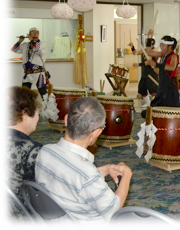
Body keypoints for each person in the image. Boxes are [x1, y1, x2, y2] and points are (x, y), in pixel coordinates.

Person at [35, 97, 133, 228]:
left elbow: (71, 176)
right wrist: (127, 175)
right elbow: (114, 211)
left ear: (65, 120)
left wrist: (105, 169)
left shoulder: (45, 152)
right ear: (97, 133)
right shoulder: (88, 175)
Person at [3, 86, 43, 227]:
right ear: (25, 114)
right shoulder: (34, 151)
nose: (38, 116)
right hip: (28, 220)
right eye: (37, 111)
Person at [140, 29, 180, 118]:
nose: (161, 47)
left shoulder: (173, 56)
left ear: (170, 46)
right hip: (162, 86)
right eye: (161, 45)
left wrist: (156, 64)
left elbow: (172, 67)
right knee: (152, 111)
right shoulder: (163, 54)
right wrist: (149, 38)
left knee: (173, 112)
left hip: (170, 88)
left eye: (163, 45)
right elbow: (149, 52)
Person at [11, 27, 47, 98]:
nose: (34, 34)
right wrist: (19, 41)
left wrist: (32, 40)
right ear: (29, 34)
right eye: (32, 33)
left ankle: (47, 107)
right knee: (24, 94)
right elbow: (14, 49)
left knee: (43, 93)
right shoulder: (25, 45)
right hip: (27, 74)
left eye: (36, 32)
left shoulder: (41, 44)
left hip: (38, 74)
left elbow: (37, 50)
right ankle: (26, 108)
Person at [130, 38, 159, 108]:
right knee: (142, 87)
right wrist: (132, 46)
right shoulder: (145, 50)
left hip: (152, 72)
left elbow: (149, 62)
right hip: (145, 72)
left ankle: (154, 104)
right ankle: (148, 103)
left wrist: (138, 64)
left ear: (151, 43)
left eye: (147, 42)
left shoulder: (154, 51)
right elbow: (135, 52)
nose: (146, 44)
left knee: (152, 89)